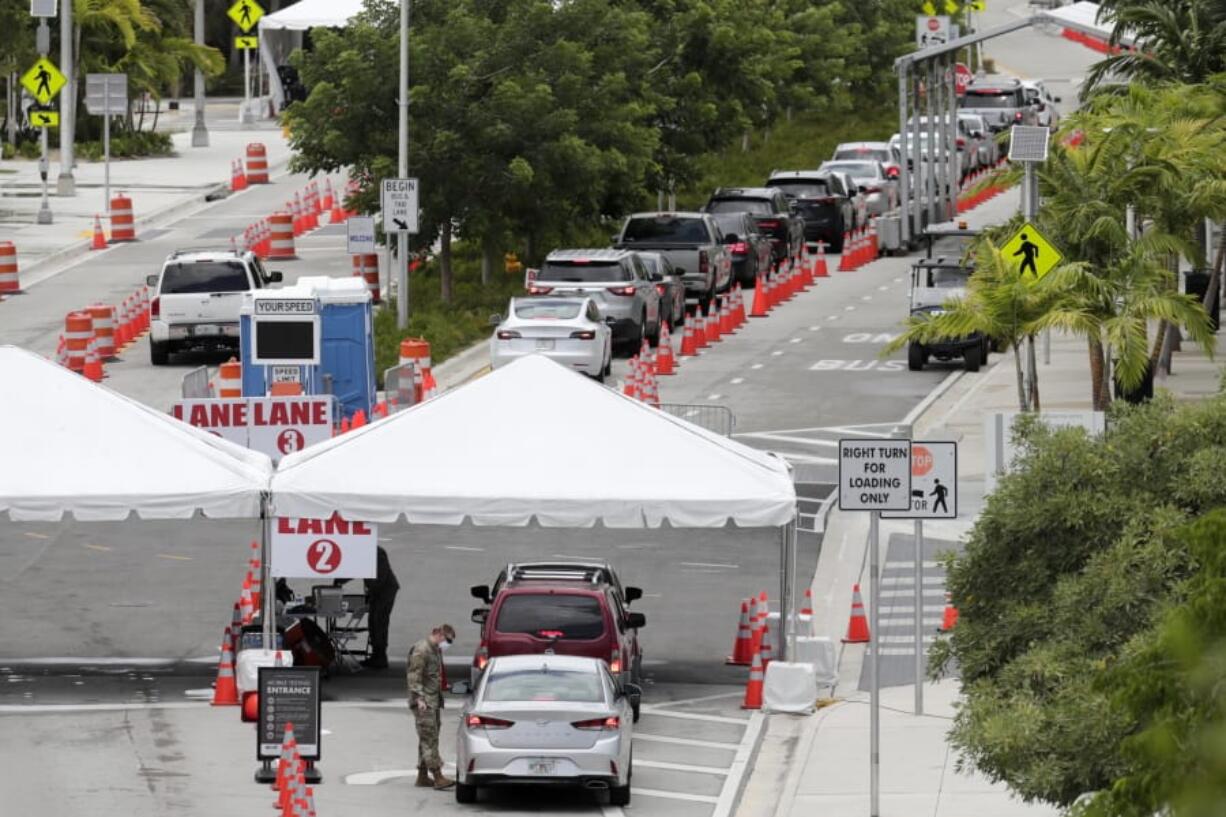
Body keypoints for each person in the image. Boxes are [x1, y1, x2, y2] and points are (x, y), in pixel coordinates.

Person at [407, 624, 456, 790]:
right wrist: (419, 698)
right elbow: (414, 676)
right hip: (424, 703)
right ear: (439, 634)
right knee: (429, 738)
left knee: (427, 737)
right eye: (447, 640)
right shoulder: (422, 650)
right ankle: (437, 776)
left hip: (432, 701)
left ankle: (422, 775)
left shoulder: (434, 650)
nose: (448, 644)